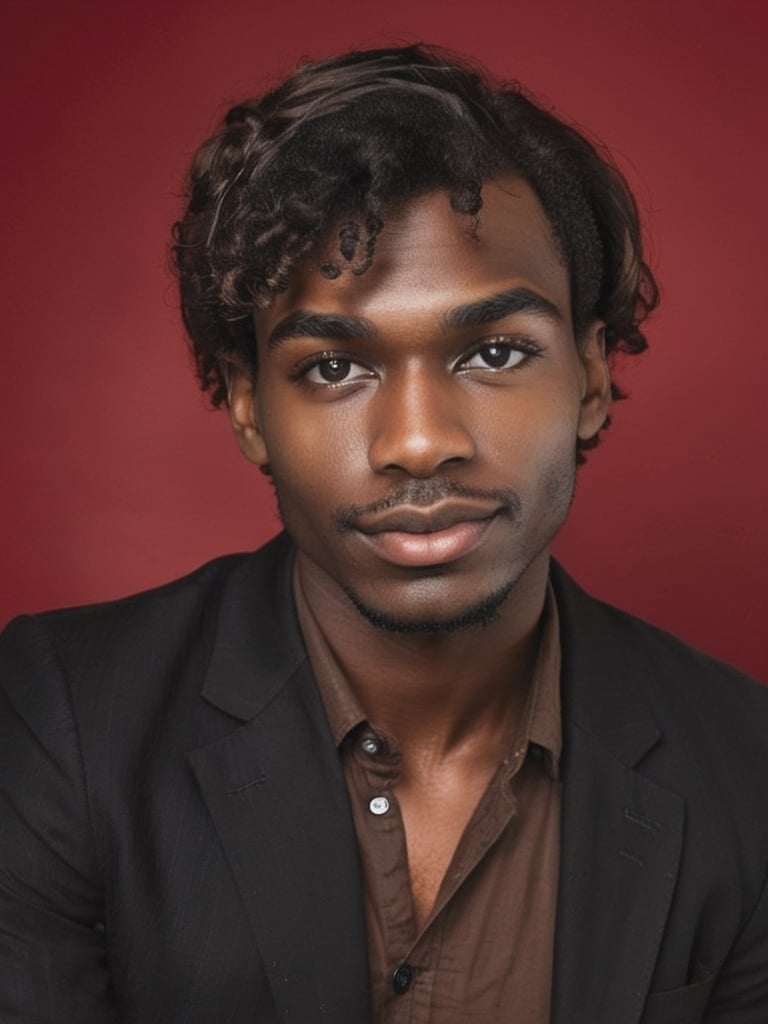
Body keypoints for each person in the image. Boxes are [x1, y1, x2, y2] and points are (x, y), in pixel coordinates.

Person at [0, 44, 766, 1024]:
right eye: (333, 367)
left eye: (493, 351)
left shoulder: (748, 769)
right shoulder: (60, 721)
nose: (419, 444)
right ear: (245, 406)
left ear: (590, 375)